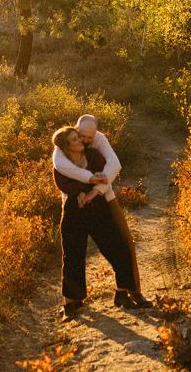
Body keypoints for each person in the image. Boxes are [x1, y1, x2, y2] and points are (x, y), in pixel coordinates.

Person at [52, 123, 151, 320]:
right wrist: (79, 191)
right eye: (74, 139)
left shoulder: (95, 155)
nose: (80, 141)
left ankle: (123, 293)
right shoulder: (61, 161)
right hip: (74, 208)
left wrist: (89, 193)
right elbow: (62, 183)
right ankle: (71, 302)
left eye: (78, 137)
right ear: (65, 146)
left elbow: (104, 178)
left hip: (98, 205)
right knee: (73, 253)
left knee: (118, 247)